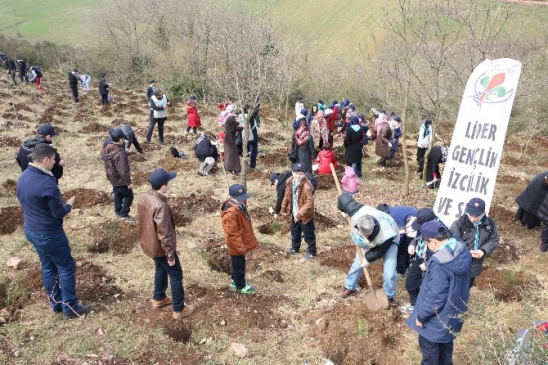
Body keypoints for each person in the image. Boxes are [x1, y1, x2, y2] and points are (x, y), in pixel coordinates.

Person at [17, 143, 91, 319]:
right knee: (66, 267)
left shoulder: (23, 176)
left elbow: (23, 201)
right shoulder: (47, 183)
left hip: (31, 229)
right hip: (49, 234)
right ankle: (70, 308)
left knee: (48, 267)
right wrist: (69, 205)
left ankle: (56, 303)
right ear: (45, 160)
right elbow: (58, 212)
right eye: (54, 160)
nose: (55, 163)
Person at [406, 220, 472, 365]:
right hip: (453, 313)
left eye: (427, 243)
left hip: (436, 319)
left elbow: (436, 296)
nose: (428, 247)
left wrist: (422, 316)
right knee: (445, 350)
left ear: (434, 241)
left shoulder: (439, 263)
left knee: (430, 354)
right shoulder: (461, 249)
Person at [137, 168, 195, 320]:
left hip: (150, 245)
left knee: (160, 269)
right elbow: (164, 233)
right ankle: (179, 308)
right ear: (163, 186)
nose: (169, 183)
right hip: (161, 248)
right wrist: (170, 253)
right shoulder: (160, 206)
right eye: (168, 181)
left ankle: (159, 297)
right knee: (176, 275)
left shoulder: (144, 197)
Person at [337, 193, 400, 307]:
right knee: (357, 264)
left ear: (373, 227)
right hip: (368, 243)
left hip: (388, 243)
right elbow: (344, 197)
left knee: (389, 273)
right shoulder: (356, 213)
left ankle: (389, 297)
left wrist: (368, 258)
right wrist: (342, 209)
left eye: (367, 233)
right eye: (362, 232)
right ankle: (350, 286)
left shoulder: (387, 234)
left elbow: (380, 251)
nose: (364, 235)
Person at [450, 198, 500, 288]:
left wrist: (483, 251)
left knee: (466, 288)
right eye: (470, 215)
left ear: (483, 213)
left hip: (475, 264)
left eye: (476, 216)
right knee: (454, 287)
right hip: (458, 261)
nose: (472, 219)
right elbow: (453, 241)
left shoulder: (490, 225)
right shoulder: (459, 224)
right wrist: (466, 251)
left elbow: (494, 240)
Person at [220, 184, 259, 294]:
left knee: (236, 263)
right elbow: (232, 234)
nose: (243, 201)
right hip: (236, 244)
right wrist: (241, 248)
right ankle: (241, 285)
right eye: (240, 199)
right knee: (239, 265)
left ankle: (234, 280)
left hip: (240, 241)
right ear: (232, 198)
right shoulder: (230, 214)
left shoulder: (239, 204)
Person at [404, 208, 438, 313]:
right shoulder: (423, 225)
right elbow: (419, 236)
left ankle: (424, 310)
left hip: (432, 262)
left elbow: (442, 252)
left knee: (426, 288)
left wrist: (428, 264)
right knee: (410, 284)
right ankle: (414, 305)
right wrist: (413, 244)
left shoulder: (440, 231)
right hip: (419, 257)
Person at [281, 163, 317, 260]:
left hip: (305, 215)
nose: (298, 176)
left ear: (304, 174)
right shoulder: (290, 182)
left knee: (308, 233)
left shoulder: (307, 187)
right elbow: (287, 195)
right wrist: (283, 207)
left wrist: (299, 214)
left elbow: (310, 203)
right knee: (295, 232)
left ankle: (312, 251)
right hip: (294, 212)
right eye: (296, 173)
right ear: (292, 173)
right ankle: (295, 248)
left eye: (301, 174)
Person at [102, 129, 134, 222]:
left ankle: (117, 211)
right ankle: (123, 214)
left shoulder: (108, 147)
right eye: (123, 138)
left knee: (117, 194)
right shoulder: (119, 153)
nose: (124, 140)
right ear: (120, 139)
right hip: (120, 179)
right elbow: (123, 170)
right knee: (129, 196)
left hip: (112, 177)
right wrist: (128, 183)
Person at [376, 204, 418, 275]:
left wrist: (396, 246)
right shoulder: (393, 211)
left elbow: (401, 235)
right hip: (413, 222)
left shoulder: (394, 215)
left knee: (403, 248)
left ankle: (401, 271)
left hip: (414, 225)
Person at [514, 170, 548, 239]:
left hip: (540, 182)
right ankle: (529, 224)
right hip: (542, 185)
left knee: (533, 203)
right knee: (536, 205)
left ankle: (523, 220)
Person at [246, 104, 260, 169]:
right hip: (252, 136)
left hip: (247, 136)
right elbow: (254, 113)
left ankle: (251, 164)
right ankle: (252, 165)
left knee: (250, 150)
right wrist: (257, 106)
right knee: (253, 151)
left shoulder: (242, 116)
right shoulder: (249, 116)